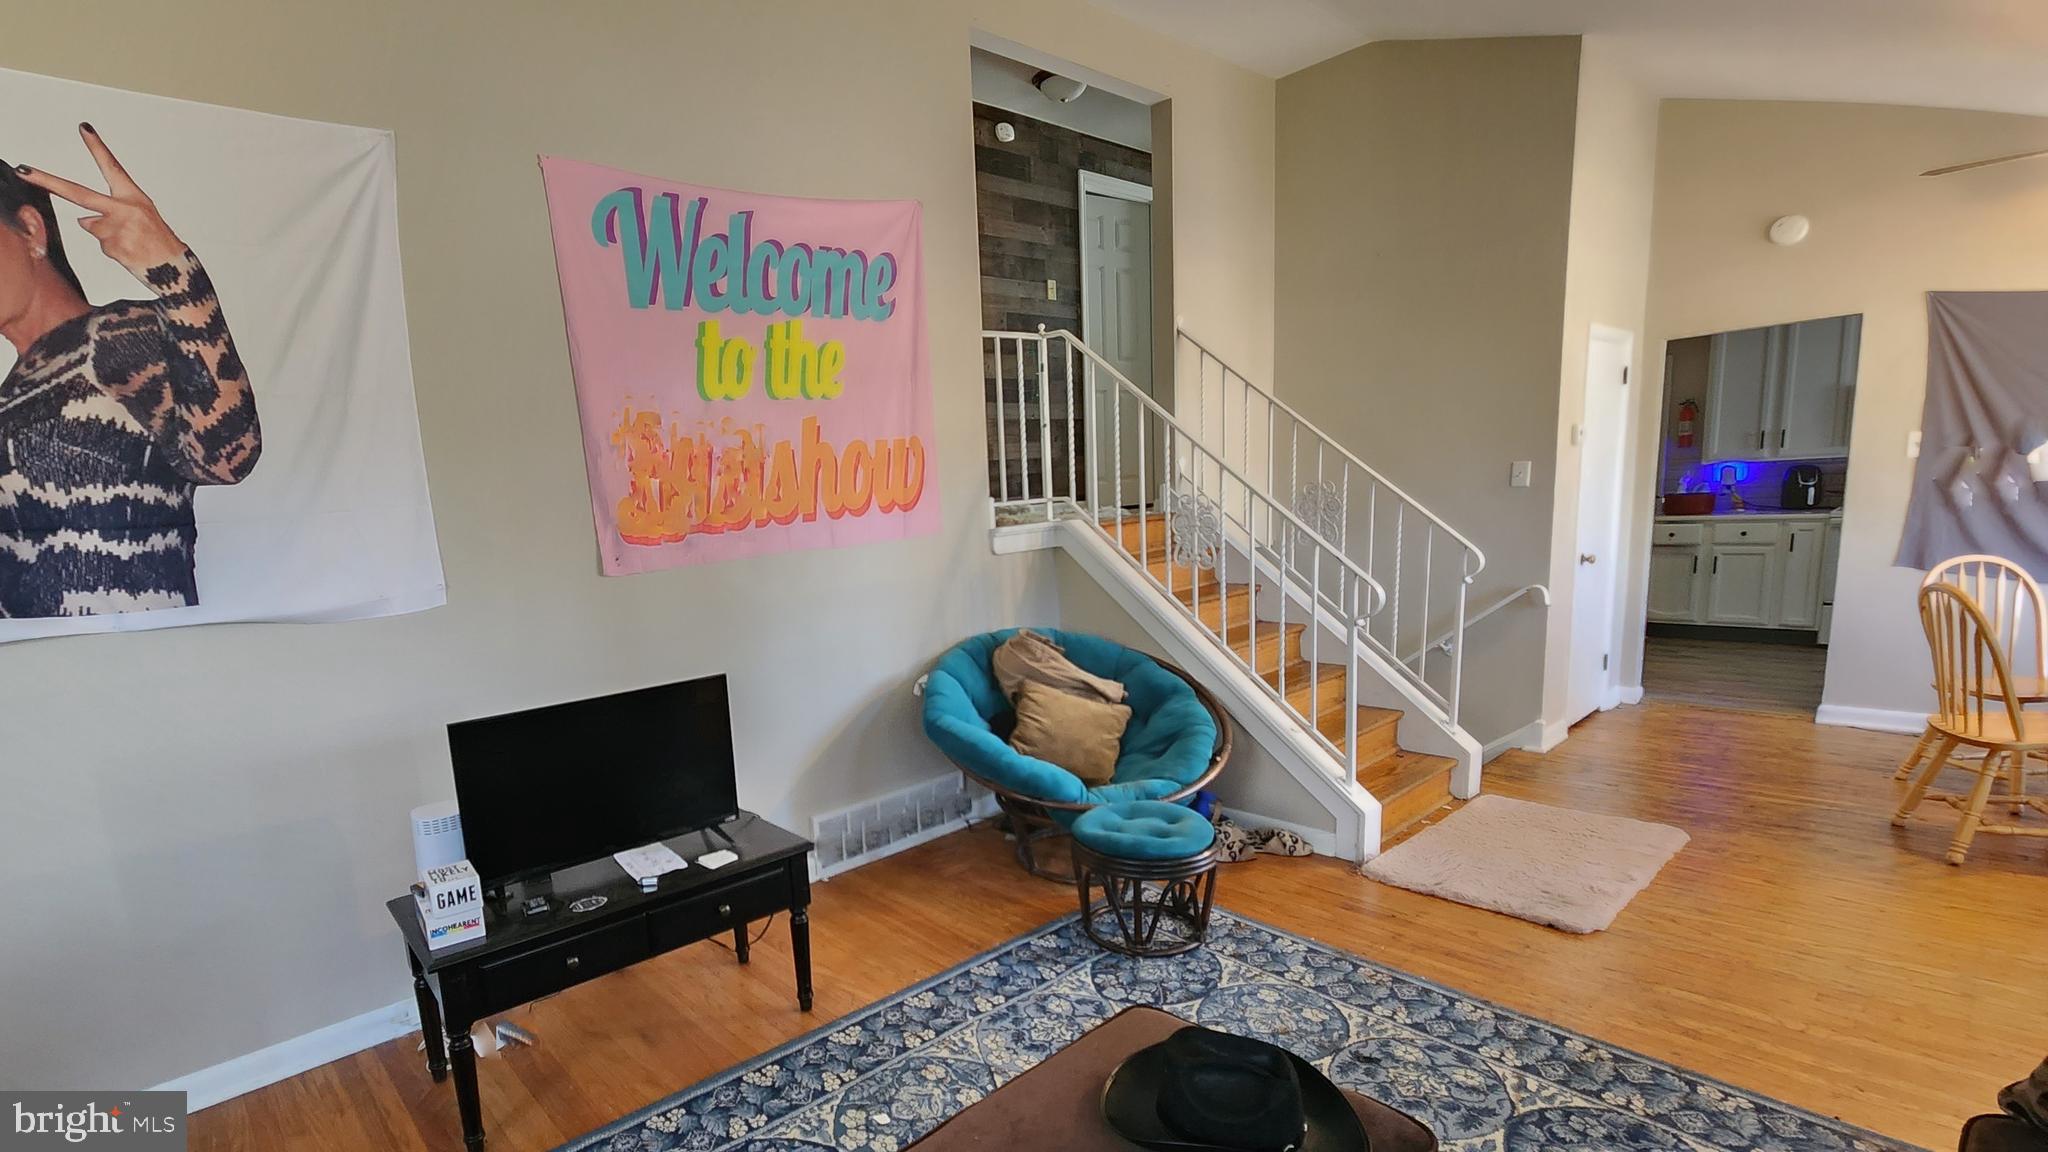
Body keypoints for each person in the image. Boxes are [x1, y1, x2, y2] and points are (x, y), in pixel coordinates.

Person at [0, 123, 260, 618]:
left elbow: (227, 457)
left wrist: (175, 273)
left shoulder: (113, 336)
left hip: (134, 670)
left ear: (31, 230)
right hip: (37, 676)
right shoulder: (13, 390)